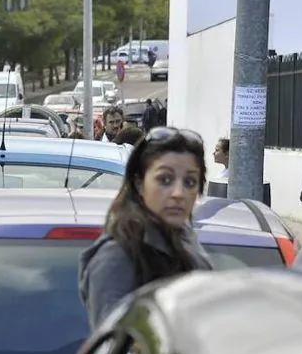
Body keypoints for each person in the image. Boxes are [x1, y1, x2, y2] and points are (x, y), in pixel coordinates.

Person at [79, 127, 213, 328]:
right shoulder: (117, 257)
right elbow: (115, 348)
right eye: (164, 179)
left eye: (190, 182)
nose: (179, 193)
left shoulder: (188, 244)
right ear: (139, 183)